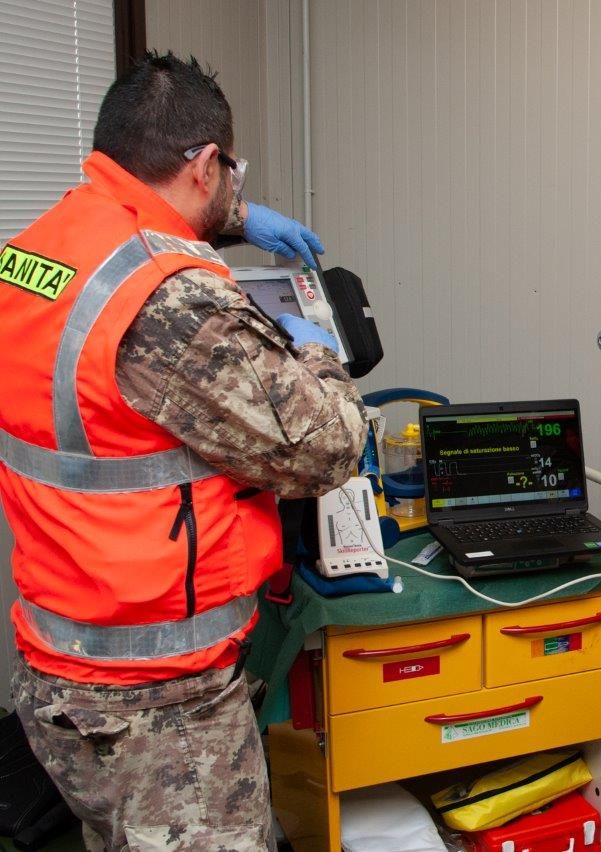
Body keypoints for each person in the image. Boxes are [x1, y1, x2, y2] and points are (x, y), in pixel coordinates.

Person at [0, 53, 367, 850]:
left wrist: (237, 218)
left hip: (60, 669)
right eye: (229, 172)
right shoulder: (172, 304)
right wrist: (313, 350)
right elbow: (326, 447)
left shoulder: (38, 248)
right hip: (161, 709)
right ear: (205, 165)